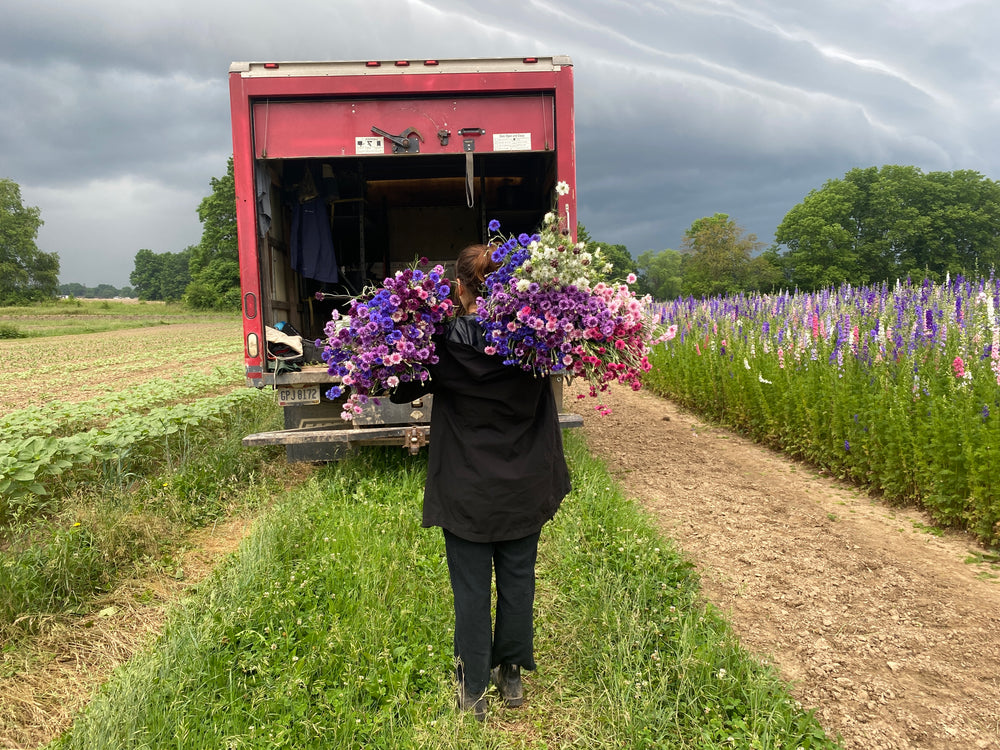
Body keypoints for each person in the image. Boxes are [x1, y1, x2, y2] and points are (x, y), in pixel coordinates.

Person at [390, 243, 571, 721]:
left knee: (470, 588)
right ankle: (510, 674)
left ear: (460, 288)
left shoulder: (442, 346)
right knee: (518, 581)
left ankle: (473, 687)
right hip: (524, 484)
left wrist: (408, 327)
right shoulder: (537, 342)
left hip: (467, 488)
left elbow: (398, 387)